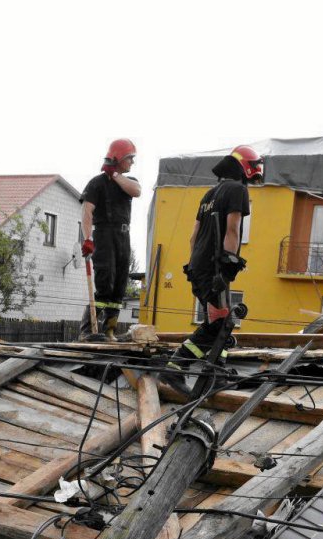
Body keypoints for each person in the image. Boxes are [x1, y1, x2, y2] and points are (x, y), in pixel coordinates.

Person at [164, 144, 263, 390]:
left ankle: (217, 372)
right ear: (246, 169)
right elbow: (232, 230)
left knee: (223, 320)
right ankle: (176, 366)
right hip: (214, 268)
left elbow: (193, 237)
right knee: (219, 325)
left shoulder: (208, 195)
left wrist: (196, 265)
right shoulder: (237, 190)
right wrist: (228, 266)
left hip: (198, 266)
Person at [80, 139, 142, 340]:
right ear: (119, 158)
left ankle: (109, 330)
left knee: (119, 284)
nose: (132, 162)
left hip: (123, 236)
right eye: (130, 158)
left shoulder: (128, 181)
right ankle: (87, 329)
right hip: (104, 235)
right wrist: (87, 239)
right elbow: (87, 212)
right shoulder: (96, 183)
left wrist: (114, 174)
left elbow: (137, 191)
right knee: (105, 282)